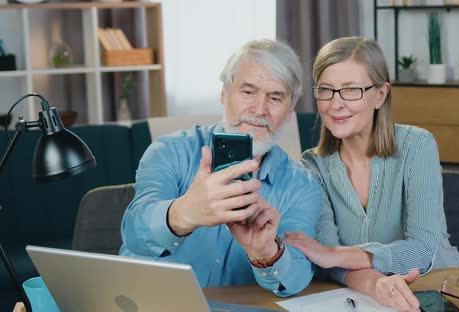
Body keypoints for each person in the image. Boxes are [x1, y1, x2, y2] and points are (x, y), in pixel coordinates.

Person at [119, 39, 322, 297]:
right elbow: (134, 232)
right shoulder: (168, 151)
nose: (259, 110)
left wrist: (268, 254)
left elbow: (297, 277)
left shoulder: (302, 185)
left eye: (275, 97)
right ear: (224, 93)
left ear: (291, 109)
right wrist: (183, 214)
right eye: (248, 92)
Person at [284, 37, 459, 311]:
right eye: (326, 90)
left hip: (442, 293)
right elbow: (326, 262)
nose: (336, 104)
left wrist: (336, 254)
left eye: (351, 90)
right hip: (365, 300)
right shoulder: (312, 166)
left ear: (380, 95)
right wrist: (374, 283)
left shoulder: (417, 145)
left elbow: (421, 250)